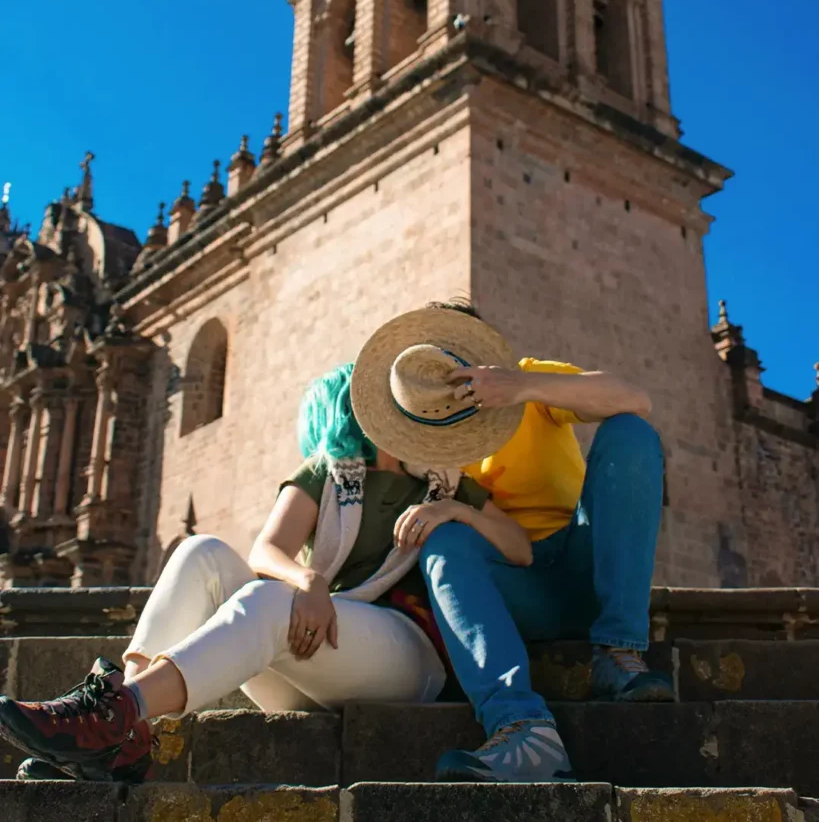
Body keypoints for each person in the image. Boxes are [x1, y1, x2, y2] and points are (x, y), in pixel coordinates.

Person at [0, 363, 530, 783]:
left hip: (408, 655)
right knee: (201, 551)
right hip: (316, 647)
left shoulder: (443, 484)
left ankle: (113, 717)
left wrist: (455, 511)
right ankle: (123, 734)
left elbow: (520, 549)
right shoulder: (328, 474)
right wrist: (310, 581)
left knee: (269, 603)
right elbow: (267, 551)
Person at [350, 302, 670, 784]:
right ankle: (522, 729)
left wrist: (524, 386)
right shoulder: (421, 446)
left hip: (587, 563)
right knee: (444, 542)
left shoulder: (531, 382)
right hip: (514, 591)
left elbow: (635, 398)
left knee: (631, 431)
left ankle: (619, 653)